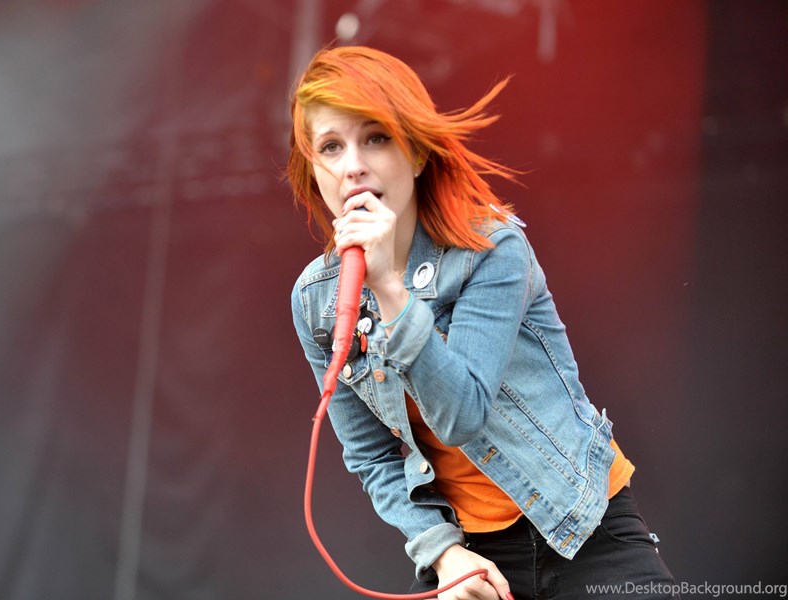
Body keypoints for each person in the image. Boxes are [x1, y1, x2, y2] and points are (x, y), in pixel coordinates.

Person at [287, 46, 678, 600]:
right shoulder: (315, 300)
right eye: (331, 146)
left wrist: (391, 292)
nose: (352, 165)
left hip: (582, 525)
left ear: (416, 153)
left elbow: (462, 415)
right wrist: (442, 554)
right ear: (314, 170)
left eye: (375, 138)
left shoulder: (491, 248)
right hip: (473, 552)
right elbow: (372, 457)